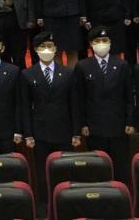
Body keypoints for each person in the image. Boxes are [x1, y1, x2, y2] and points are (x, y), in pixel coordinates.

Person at [20, 32, 82, 212]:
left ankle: (66, 205)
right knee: (42, 171)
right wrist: (28, 134)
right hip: (40, 132)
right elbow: (25, 106)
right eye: (42, 47)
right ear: (35, 50)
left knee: (65, 169)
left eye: (50, 47)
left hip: (64, 130)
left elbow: (74, 104)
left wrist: (76, 132)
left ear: (55, 49)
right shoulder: (27, 74)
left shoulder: (68, 73)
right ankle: (45, 206)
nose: (46, 50)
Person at [74, 27, 134, 183]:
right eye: (97, 41)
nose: (101, 44)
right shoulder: (82, 66)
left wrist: (129, 121)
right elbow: (79, 99)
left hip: (118, 126)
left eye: (105, 40)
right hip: (95, 127)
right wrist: (83, 124)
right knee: (97, 169)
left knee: (121, 168)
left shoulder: (121, 65)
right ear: (91, 44)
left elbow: (129, 97)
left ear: (110, 42)